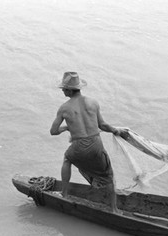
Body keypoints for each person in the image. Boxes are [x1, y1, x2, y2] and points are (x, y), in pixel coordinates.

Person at [50, 71, 127, 213]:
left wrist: (66, 127)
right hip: (96, 143)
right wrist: (116, 131)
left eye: (63, 89)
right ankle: (114, 209)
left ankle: (64, 194)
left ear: (68, 90)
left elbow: (53, 131)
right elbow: (102, 125)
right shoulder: (93, 102)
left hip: (79, 146)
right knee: (108, 176)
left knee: (67, 159)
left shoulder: (64, 108)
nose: (62, 91)